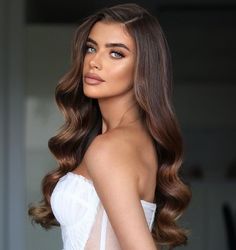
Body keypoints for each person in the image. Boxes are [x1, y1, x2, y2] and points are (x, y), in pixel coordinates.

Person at [28, 3, 191, 250]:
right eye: (91, 48)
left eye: (116, 53)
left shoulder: (110, 148)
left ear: (143, 68)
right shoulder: (135, 141)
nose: (94, 62)